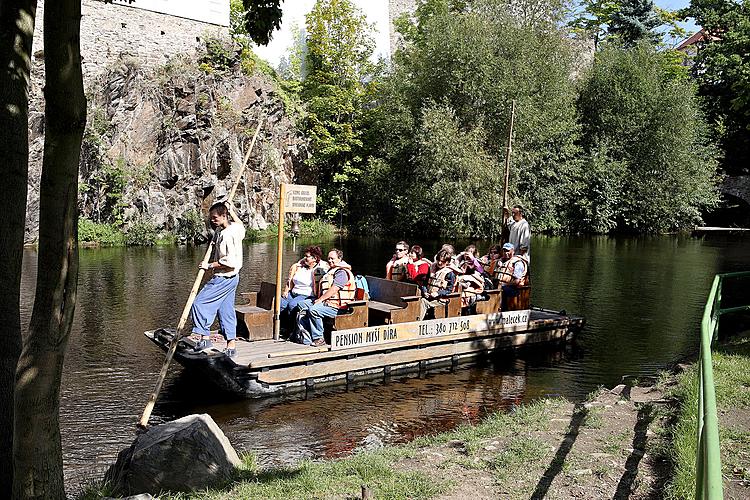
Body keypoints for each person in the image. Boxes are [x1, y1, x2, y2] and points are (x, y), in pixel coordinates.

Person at [190, 202, 245, 357]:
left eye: (215, 218)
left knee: (199, 303)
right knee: (226, 311)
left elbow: (230, 263)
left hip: (224, 278)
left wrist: (209, 265)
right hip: (233, 278)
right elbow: (240, 224)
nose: (213, 221)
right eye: (211, 218)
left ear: (223, 216)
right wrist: (232, 210)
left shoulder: (228, 235)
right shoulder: (235, 228)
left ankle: (204, 337)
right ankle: (231, 346)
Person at [296, 248, 357, 346]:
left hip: (338, 306)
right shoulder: (330, 270)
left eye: (332, 258)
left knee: (314, 310)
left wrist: (320, 300)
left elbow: (334, 289)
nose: (330, 260)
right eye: (329, 258)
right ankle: (306, 335)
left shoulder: (341, 272)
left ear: (340, 259)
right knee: (301, 304)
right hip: (327, 303)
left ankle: (319, 338)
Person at [280, 245, 328, 323]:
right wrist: (286, 291)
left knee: (292, 305)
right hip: (293, 292)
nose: (305, 258)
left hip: (306, 295)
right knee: (280, 303)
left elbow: (329, 267)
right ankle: (282, 326)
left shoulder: (320, 270)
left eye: (307, 256)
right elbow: (290, 280)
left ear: (314, 258)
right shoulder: (299, 267)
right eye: (304, 256)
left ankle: (293, 328)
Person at [420, 249, 459, 320]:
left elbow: (449, 290)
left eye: (443, 261)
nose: (440, 263)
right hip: (429, 297)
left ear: (447, 262)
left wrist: (438, 293)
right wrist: (425, 291)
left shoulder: (450, 273)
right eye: (438, 260)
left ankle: (417, 323)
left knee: (423, 302)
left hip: (441, 299)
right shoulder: (431, 268)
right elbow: (425, 283)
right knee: (418, 301)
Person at [497, 242, 529, 310]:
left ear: (513, 251)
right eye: (504, 250)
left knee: (502, 290)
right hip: (503, 286)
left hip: (514, 289)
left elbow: (517, 281)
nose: (506, 253)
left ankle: (504, 310)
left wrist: (503, 284)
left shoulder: (518, 263)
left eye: (508, 251)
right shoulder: (501, 262)